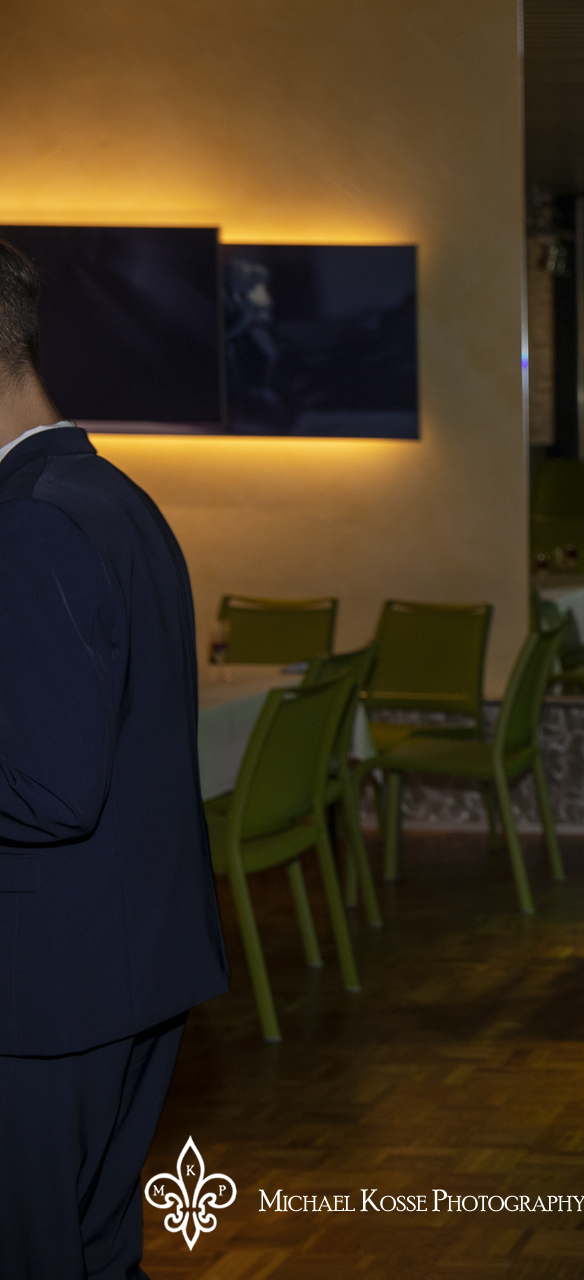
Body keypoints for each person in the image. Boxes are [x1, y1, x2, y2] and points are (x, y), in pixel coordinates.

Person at [0, 238, 229, 1277]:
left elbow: (49, 786)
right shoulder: (108, 493)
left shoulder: (28, 523)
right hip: (118, 968)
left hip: (43, 988)